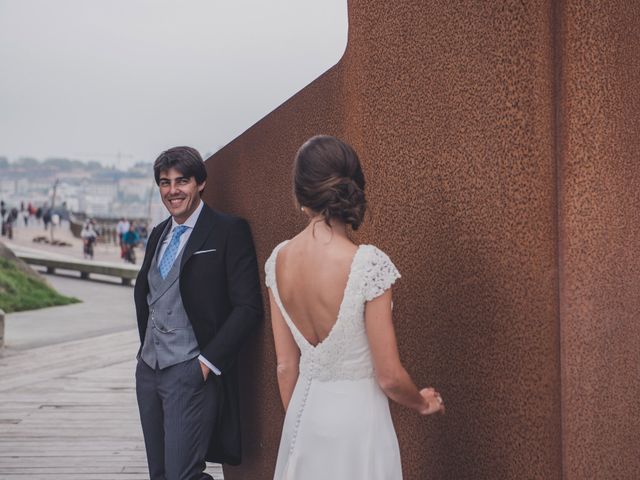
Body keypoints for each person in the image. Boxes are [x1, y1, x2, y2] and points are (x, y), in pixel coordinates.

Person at [265, 136, 445, 480]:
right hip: (358, 424)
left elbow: (286, 366)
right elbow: (389, 376)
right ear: (355, 187)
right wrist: (423, 402)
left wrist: (302, 430)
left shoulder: (278, 260)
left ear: (301, 195)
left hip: (303, 417)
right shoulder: (367, 264)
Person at [133, 146, 262, 479]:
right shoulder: (158, 234)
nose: (172, 190)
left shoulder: (227, 230)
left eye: (182, 181)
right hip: (149, 370)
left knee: (183, 474)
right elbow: (148, 296)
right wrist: (144, 357)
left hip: (189, 370)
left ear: (200, 183)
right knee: (161, 474)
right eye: (165, 182)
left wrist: (204, 365)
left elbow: (248, 308)